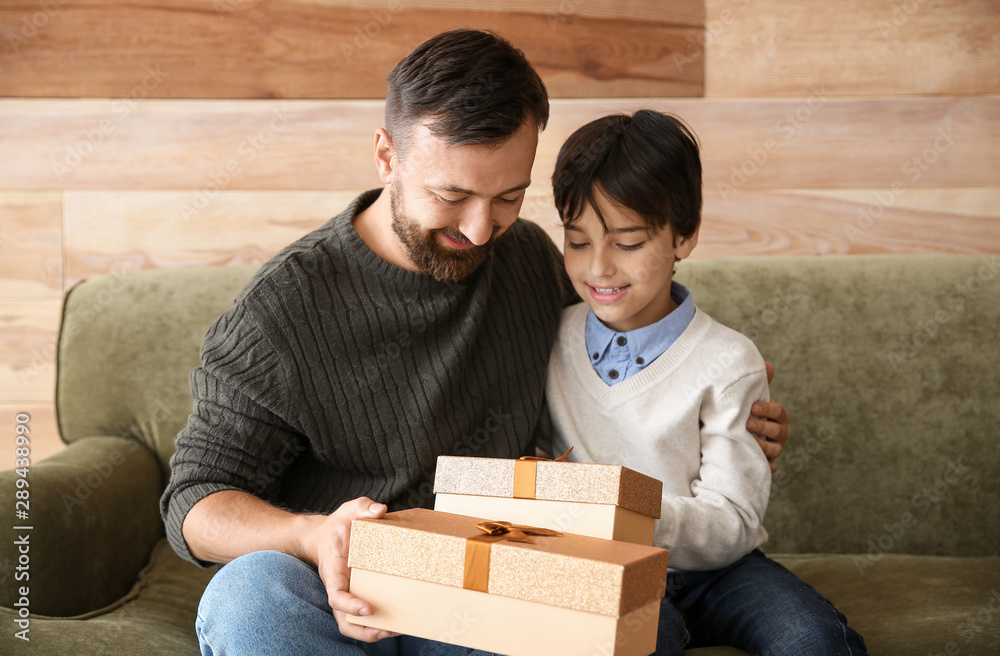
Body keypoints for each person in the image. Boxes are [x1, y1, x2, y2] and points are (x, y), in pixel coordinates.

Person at [160, 29, 790, 656]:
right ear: (387, 156)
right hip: (336, 595)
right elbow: (194, 500)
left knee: (599, 617)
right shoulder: (281, 311)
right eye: (451, 195)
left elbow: (613, 370)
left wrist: (728, 420)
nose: (481, 229)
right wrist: (313, 535)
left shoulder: (530, 261)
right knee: (249, 591)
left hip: (489, 590)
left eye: (508, 198)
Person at [544, 109, 866, 655]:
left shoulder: (729, 361)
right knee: (635, 639)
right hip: (603, 572)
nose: (598, 268)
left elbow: (733, 522)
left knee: (813, 641)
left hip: (722, 573)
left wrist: (615, 509)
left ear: (684, 236)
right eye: (577, 242)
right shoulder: (550, 336)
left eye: (627, 243)